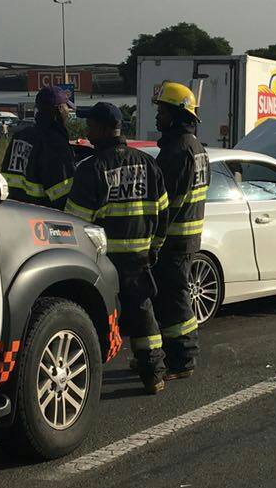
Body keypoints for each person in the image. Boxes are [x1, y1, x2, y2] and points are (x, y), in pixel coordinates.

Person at [65, 102, 170, 393]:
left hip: (104, 259)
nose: (87, 132)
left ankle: (87, 378)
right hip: (140, 258)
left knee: (97, 315)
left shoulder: (92, 169)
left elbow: (77, 222)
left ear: (102, 128)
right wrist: (154, 248)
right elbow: (163, 212)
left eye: (90, 127)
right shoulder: (148, 163)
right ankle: (153, 374)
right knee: (142, 311)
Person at [152, 82, 209, 380]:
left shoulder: (178, 150)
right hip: (185, 238)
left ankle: (183, 359)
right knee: (172, 298)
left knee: (175, 300)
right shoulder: (195, 147)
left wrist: (153, 237)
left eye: (161, 111)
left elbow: (167, 204)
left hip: (174, 239)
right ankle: (175, 356)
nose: (157, 117)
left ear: (175, 114)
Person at [0, 85, 75, 208]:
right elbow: (62, 194)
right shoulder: (54, 142)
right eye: (67, 108)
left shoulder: (20, 136)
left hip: (14, 212)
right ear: (59, 109)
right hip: (41, 217)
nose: (68, 113)